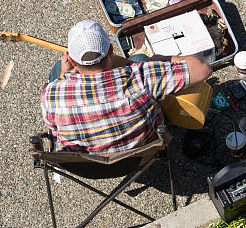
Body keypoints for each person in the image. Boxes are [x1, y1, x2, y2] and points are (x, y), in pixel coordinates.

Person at [41, 20, 212, 153]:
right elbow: (203, 69)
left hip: (89, 164)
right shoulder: (141, 75)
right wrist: (163, 60)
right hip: (142, 152)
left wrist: (64, 76)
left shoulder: (51, 95)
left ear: (72, 60)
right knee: (139, 59)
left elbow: (54, 130)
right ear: (110, 51)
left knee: (57, 68)